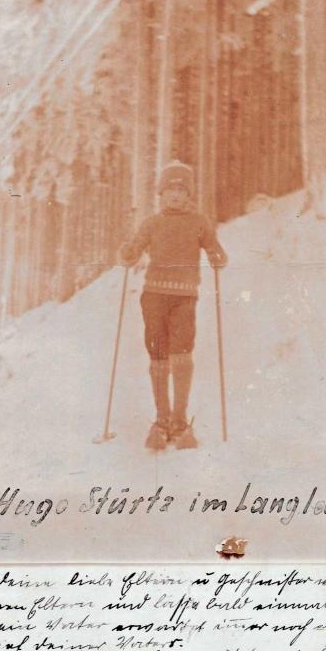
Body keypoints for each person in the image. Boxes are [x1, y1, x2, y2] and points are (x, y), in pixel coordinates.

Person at [119, 160, 228, 450]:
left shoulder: (198, 222)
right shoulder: (152, 223)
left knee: (182, 353)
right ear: (160, 193)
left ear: (189, 195)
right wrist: (128, 253)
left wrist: (218, 256)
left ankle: (179, 421)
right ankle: (161, 419)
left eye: (181, 190)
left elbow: (215, 248)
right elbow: (134, 248)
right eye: (169, 189)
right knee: (157, 356)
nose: (175, 195)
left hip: (184, 298)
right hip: (153, 297)